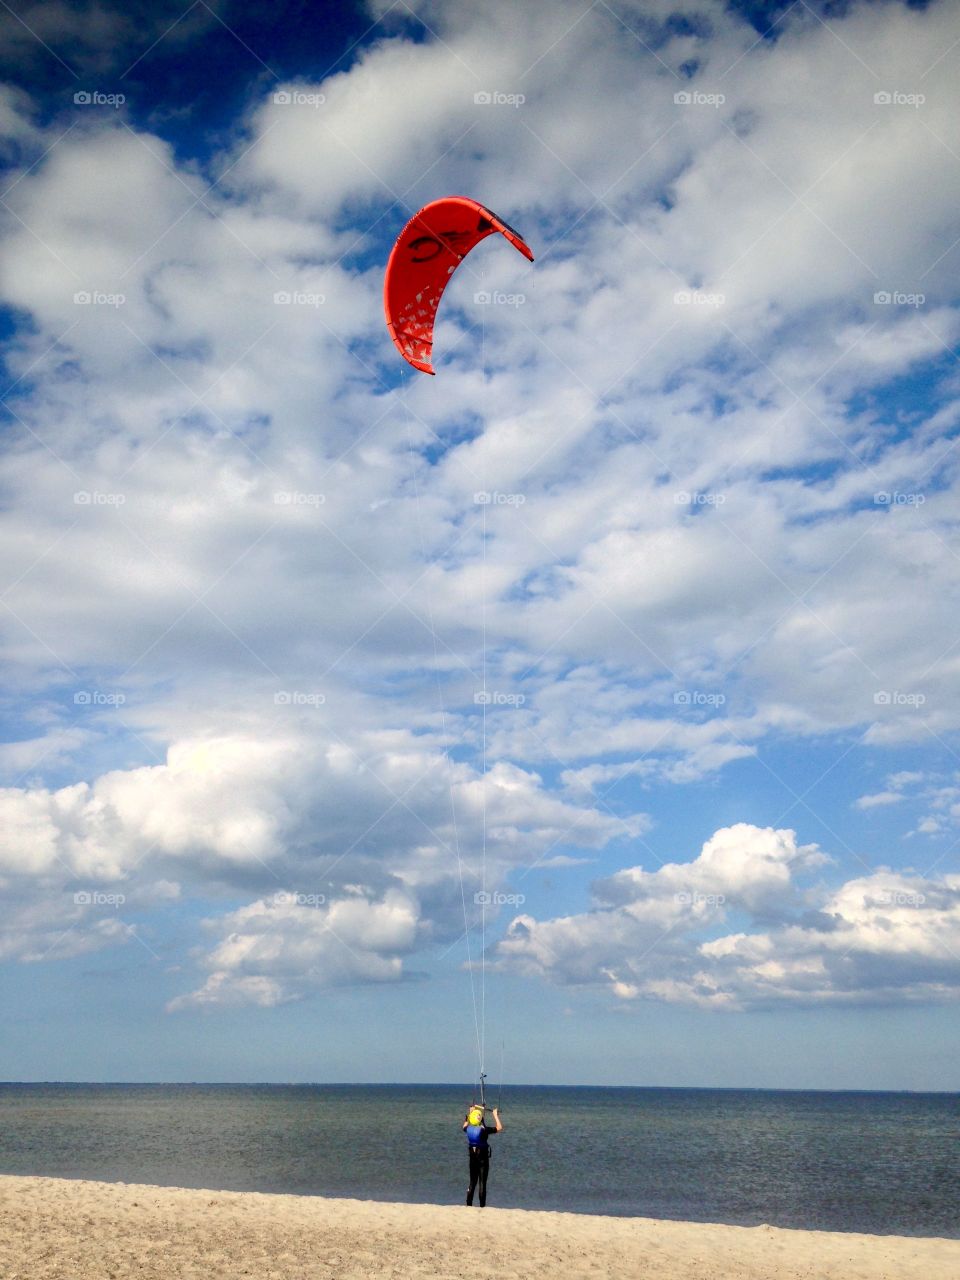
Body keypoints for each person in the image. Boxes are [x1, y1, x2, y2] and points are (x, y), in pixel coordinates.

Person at [462, 1103, 502, 1207]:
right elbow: (499, 1127)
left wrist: (470, 1112)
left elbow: (465, 1125)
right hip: (483, 1159)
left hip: (472, 1159)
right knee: (482, 1183)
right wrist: (495, 1115)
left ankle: (468, 1205)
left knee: (472, 1182)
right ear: (479, 1119)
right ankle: (482, 1206)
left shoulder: (468, 1129)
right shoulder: (484, 1131)